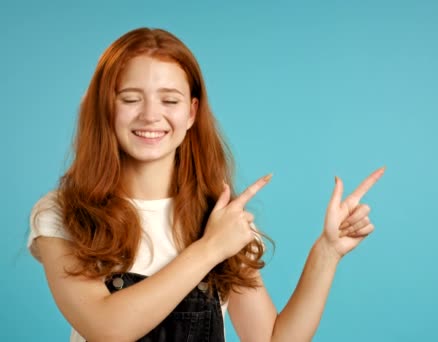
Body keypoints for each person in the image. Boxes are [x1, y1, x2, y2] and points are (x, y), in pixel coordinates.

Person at [27, 27, 385, 342]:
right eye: (131, 99)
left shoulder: (220, 217)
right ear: (107, 108)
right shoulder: (63, 214)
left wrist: (327, 252)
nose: (151, 115)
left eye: (170, 100)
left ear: (191, 113)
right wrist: (211, 248)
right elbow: (107, 329)